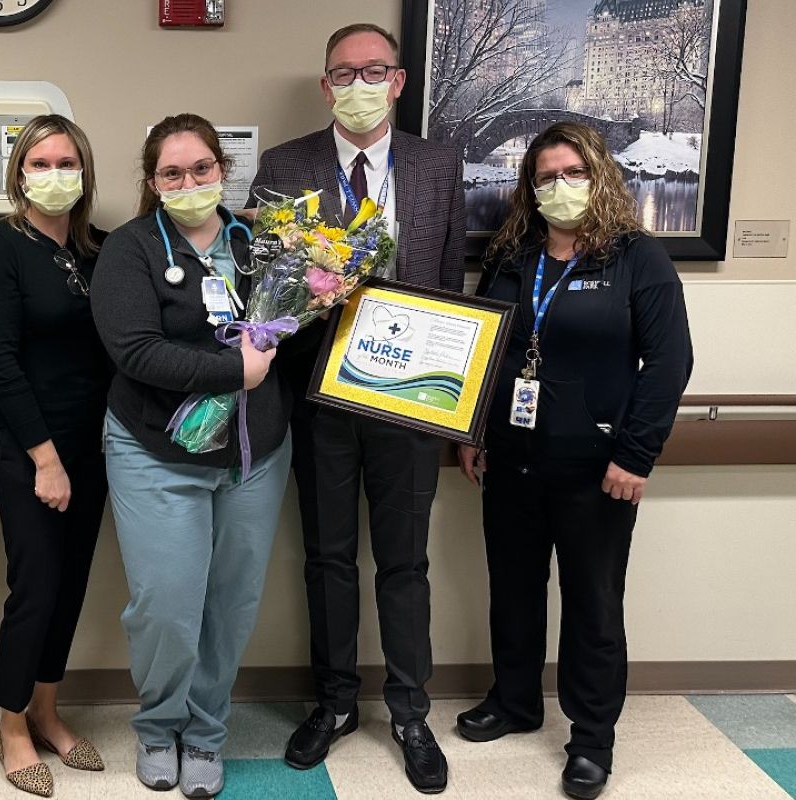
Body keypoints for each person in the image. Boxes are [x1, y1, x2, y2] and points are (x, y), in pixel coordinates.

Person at [247, 22, 465, 794]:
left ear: (399, 81)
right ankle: (335, 703)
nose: (360, 84)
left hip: (410, 401)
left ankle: (409, 712)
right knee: (328, 558)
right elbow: (263, 289)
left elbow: (448, 283)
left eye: (375, 70)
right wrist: (318, 292)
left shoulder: (439, 163)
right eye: (345, 72)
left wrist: (452, 403)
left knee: (406, 562)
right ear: (325, 85)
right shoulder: (285, 165)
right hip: (320, 398)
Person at [455, 122, 693, 800]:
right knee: (514, 589)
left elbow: (670, 362)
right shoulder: (513, 255)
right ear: (529, 187)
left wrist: (636, 454)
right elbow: (489, 349)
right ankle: (516, 701)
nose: (558, 187)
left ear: (600, 175)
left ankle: (591, 738)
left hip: (598, 467)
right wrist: (473, 431)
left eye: (572, 173)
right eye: (545, 176)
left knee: (593, 605)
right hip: (510, 457)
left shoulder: (636, 257)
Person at [90, 113, 292, 799]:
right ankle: (158, 726)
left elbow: (292, 321)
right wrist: (235, 371)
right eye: (172, 173)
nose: (189, 182)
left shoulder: (263, 242)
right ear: (152, 182)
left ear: (221, 170)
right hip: (157, 451)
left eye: (201, 169)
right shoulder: (130, 249)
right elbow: (136, 351)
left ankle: (205, 733)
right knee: (167, 605)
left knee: (233, 602)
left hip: (252, 453)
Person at [0, 114, 110, 797]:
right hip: (30, 448)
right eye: (41, 162)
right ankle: (11, 723)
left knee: (73, 582)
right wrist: (45, 460)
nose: (55, 175)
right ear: (19, 172)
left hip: (96, 445)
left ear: (85, 173)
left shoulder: (98, 248)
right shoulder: (3, 247)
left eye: (67, 162)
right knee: (35, 587)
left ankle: (48, 710)